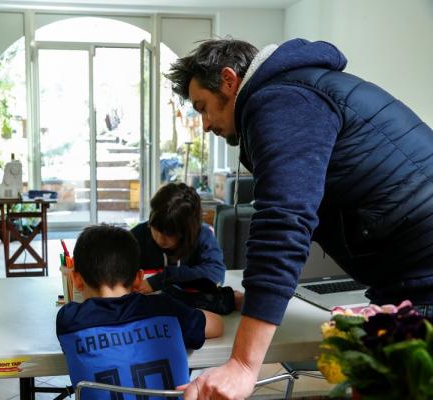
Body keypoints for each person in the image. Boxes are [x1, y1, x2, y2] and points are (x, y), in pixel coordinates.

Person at [166, 37, 433, 399]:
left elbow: (283, 221)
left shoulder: (281, 99)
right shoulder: (305, 87)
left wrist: (244, 364)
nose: (206, 123)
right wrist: (264, 295)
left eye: (203, 107)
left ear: (229, 80)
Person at [56, 224, 223, 397]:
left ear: (75, 279)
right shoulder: (165, 309)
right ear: (138, 279)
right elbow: (217, 325)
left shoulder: (70, 320)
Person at [131, 182, 226, 294]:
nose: (160, 239)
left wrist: (163, 279)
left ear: (187, 230)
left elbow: (216, 272)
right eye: (156, 229)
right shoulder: (136, 236)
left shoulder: (202, 235)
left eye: (169, 234)